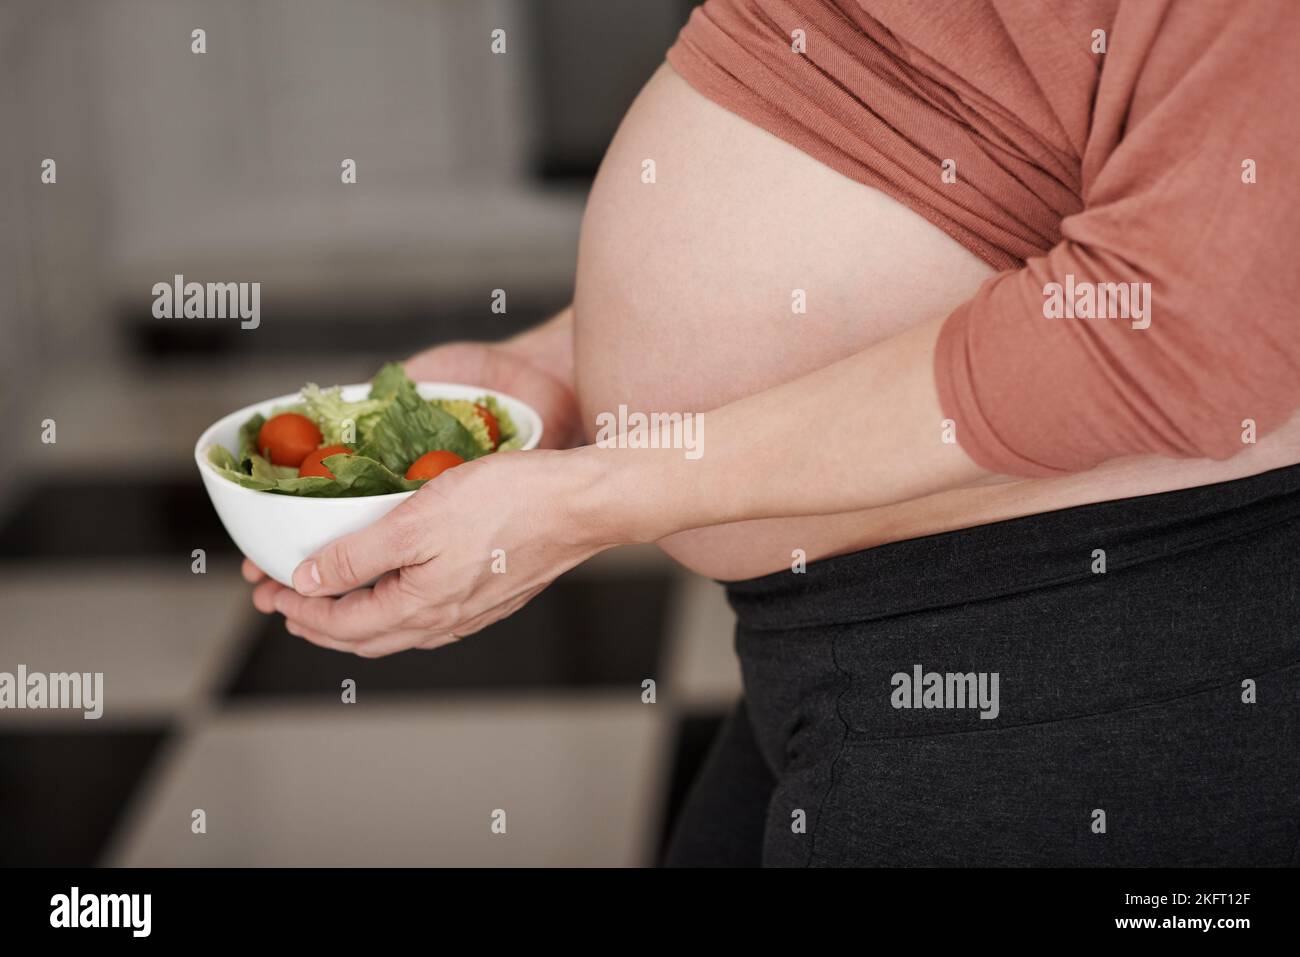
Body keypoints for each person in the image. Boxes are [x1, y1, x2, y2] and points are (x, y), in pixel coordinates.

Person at [244, 0, 1300, 865]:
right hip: (838, 632)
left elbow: (1191, 313)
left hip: (1062, 643)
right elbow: (940, 111)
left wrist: (602, 494)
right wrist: (562, 365)